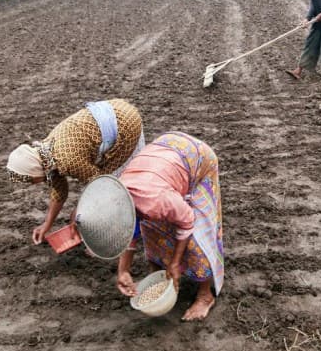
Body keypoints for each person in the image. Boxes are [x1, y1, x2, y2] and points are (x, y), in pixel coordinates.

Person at [79, 132, 224, 321]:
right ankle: (158, 276)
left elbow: (187, 221)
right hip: (161, 159)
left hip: (195, 156)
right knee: (151, 229)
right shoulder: (117, 200)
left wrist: (175, 263)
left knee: (197, 234)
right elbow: (130, 230)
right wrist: (123, 270)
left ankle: (205, 295)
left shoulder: (154, 200)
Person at [6, 99, 145, 244]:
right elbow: (59, 191)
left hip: (126, 123)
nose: (32, 183)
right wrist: (46, 225)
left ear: (33, 170)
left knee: (117, 183)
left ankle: (123, 231)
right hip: (115, 109)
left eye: (29, 179)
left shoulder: (67, 160)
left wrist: (79, 212)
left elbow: (101, 183)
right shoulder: (47, 155)